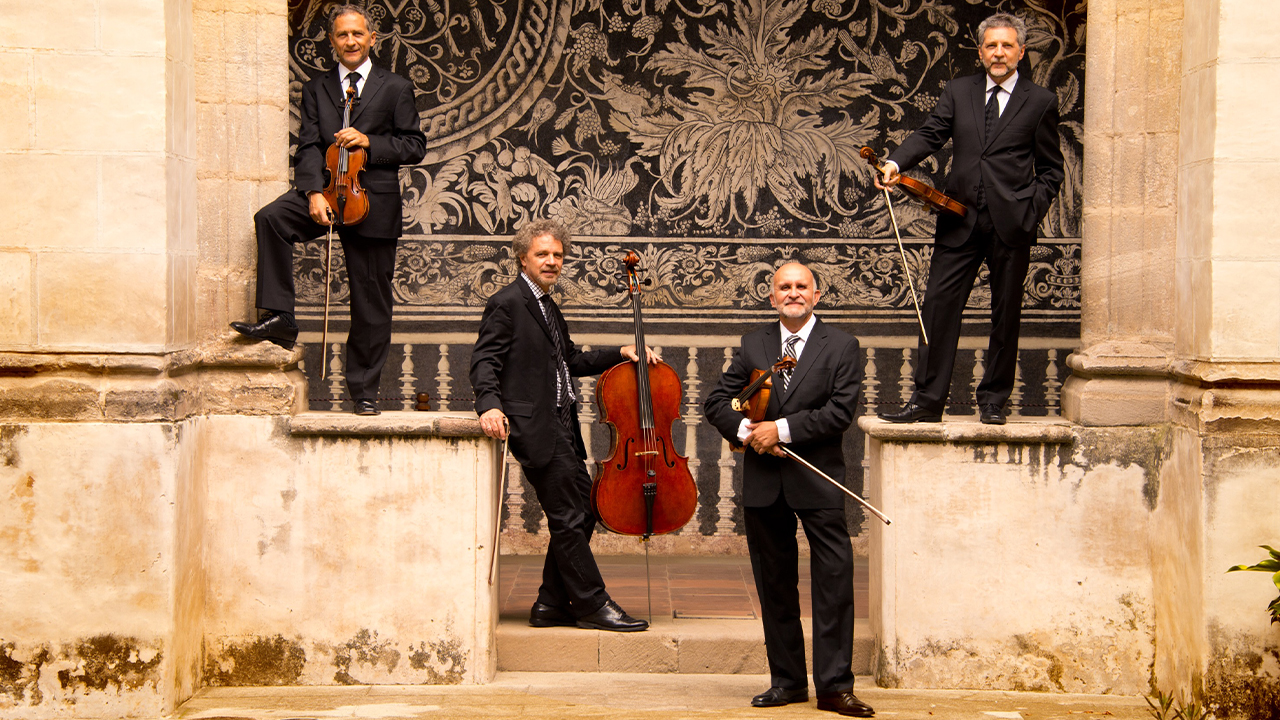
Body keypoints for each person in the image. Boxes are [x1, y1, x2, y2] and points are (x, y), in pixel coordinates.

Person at [230, 4, 426, 416]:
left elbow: (414, 145)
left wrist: (370, 142)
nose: (350, 42)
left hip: (371, 200)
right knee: (272, 218)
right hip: (327, 190)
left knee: (370, 303)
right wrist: (312, 192)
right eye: (342, 35)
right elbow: (308, 146)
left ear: (372, 39)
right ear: (332, 41)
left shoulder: (395, 87)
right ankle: (281, 317)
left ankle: (365, 391)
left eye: (358, 34)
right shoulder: (318, 88)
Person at [875, 12, 1064, 426]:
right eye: (991, 45)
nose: (999, 52)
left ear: (1021, 52)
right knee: (939, 308)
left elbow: (1052, 170)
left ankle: (993, 401)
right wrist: (895, 162)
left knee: (1005, 312)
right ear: (981, 52)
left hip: (1011, 223)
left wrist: (1029, 211)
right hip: (958, 218)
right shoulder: (958, 91)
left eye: (1007, 45)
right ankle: (927, 402)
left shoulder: (1040, 101)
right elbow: (930, 134)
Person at [470, 219, 656, 632]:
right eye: (543, 254)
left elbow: (569, 359)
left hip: (562, 425)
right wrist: (489, 404)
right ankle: (591, 603)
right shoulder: (508, 303)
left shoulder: (546, 305)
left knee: (585, 511)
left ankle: (551, 604)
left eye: (557, 255)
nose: (552, 261)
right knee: (569, 515)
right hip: (535, 427)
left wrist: (620, 352)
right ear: (523, 258)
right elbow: (485, 359)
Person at [704, 263, 872, 717]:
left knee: (833, 582)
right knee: (775, 583)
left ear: (816, 296)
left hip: (817, 478)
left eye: (802, 287)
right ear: (772, 296)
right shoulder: (753, 344)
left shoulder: (842, 346)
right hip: (765, 483)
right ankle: (788, 682)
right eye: (785, 287)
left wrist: (779, 429)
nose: (793, 293)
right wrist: (747, 431)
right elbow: (717, 402)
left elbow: (839, 412)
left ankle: (835, 687)